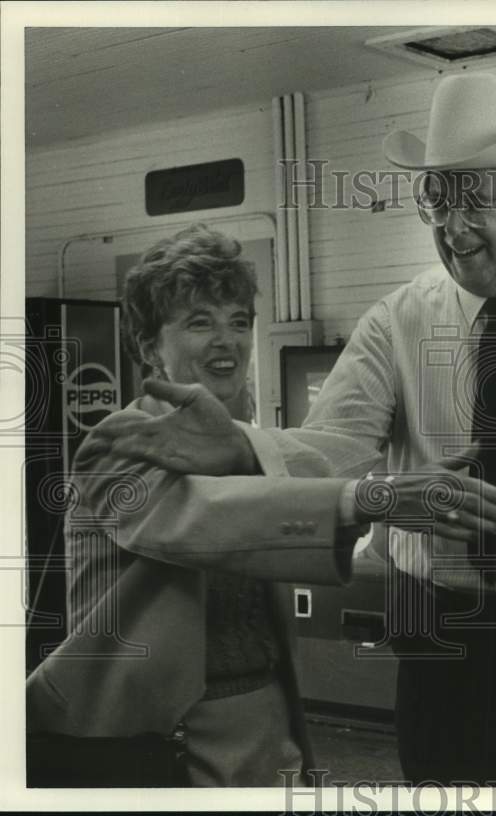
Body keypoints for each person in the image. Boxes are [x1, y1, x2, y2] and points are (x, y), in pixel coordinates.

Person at [83, 73, 496, 784]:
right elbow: (333, 447)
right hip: (438, 624)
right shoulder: (398, 320)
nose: (450, 228)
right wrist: (242, 444)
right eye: (436, 201)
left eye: (470, 201)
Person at [25, 224, 372, 786]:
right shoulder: (118, 445)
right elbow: (209, 519)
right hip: (159, 743)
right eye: (199, 321)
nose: (226, 341)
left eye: (239, 321)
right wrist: (365, 496)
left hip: (267, 722)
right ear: (146, 346)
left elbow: (308, 477)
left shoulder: (253, 445)